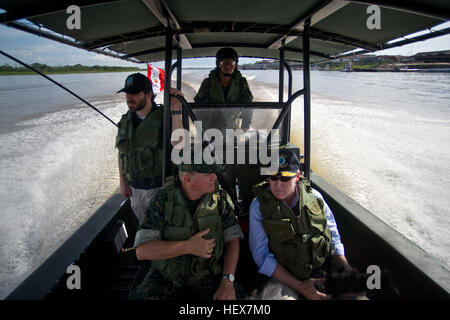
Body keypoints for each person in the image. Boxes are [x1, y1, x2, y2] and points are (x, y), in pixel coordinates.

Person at [129, 157, 245, 300]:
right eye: (208, 174)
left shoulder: (219, 198)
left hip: (208, 275)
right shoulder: (162, 200)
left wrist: (227, 281)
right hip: (167, 278)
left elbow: (232, 240)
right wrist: (188, 247)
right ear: (188, 179)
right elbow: (142, 251)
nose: (215, 177)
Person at [249, 149, 356, 300]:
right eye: (273, 178)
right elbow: (261, 256)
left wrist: (346, 268)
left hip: (321, 270)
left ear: (297, 176)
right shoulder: (258, 207)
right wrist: (301, 287)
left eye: (285, 179)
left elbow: (333, 237)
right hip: (284, 278)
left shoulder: (315, 198)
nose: (278, 184)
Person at [116, 73, 184, 222]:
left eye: (134, 93)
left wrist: (175, 109)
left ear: (148, 95)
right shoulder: (125, 121)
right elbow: (122, 153)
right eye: (127, 93)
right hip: (135, 190)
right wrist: (122, 182)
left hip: (161, 188)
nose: (129, 97)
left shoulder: (165, 116)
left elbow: (179, 144)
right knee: (145, 229)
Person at [194, 47, 253, 130]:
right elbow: (198, 104)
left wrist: (245, 127)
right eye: (224, 62)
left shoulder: (241, 83)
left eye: (231, 62)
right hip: (210, 127)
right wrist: (200, 129)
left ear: (236, 64)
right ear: (218, 64)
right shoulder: (208, 82)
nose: (228, 65)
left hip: (232, 125)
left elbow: (248, 104)